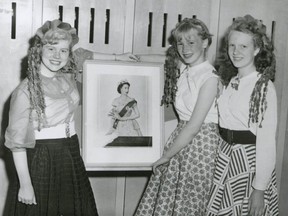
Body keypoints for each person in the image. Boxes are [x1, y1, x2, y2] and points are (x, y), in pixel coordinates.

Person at [4, 19, 138, 216]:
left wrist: (119, 57)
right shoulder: (25, 91)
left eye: (63, 50)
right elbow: (17, 144)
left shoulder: (66, 73)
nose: (57, 56)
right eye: (51, 49)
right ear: (39, 50)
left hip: (70, 151)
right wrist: (25, 185)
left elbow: (83, 54)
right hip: (43, 157)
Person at [135, 17, 220, 215]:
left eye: (191, 42)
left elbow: (193, 127)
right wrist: (119, 57)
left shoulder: (210, 78)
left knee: (188, 206)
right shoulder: (185, 68)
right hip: (181, 142)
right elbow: (152, 59)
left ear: (205, 42)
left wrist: (166, 156)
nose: (185, 48)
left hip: (201, 147)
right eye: (180, 43)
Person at [205, 15, 279, 216]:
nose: (235, 52)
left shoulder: (263, 87)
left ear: (256, 50)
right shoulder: (229, 80)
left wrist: (259, 189)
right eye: (232, 46)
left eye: (243, 47)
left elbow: (266, 143)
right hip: (224, 157)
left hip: (248, 165)